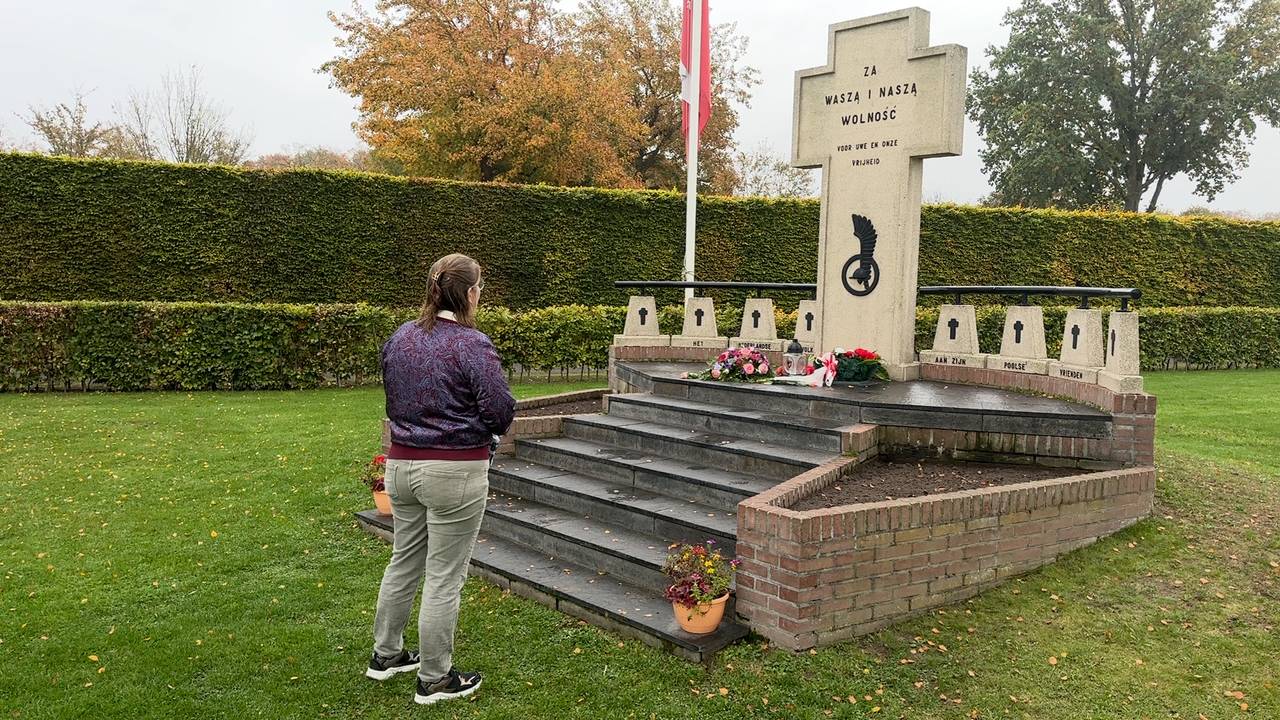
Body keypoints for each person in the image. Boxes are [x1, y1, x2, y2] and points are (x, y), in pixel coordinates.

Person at [366, 253, 515, 705]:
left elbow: (393, 396)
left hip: (402, 466)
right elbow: (500, 410)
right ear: (469, 293)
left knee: (404, 561)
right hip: (454, 469)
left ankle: (386, 655)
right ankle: (434, 678)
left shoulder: (401, 337)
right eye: (479, 288)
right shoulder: (472, 343)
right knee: (444, 577)